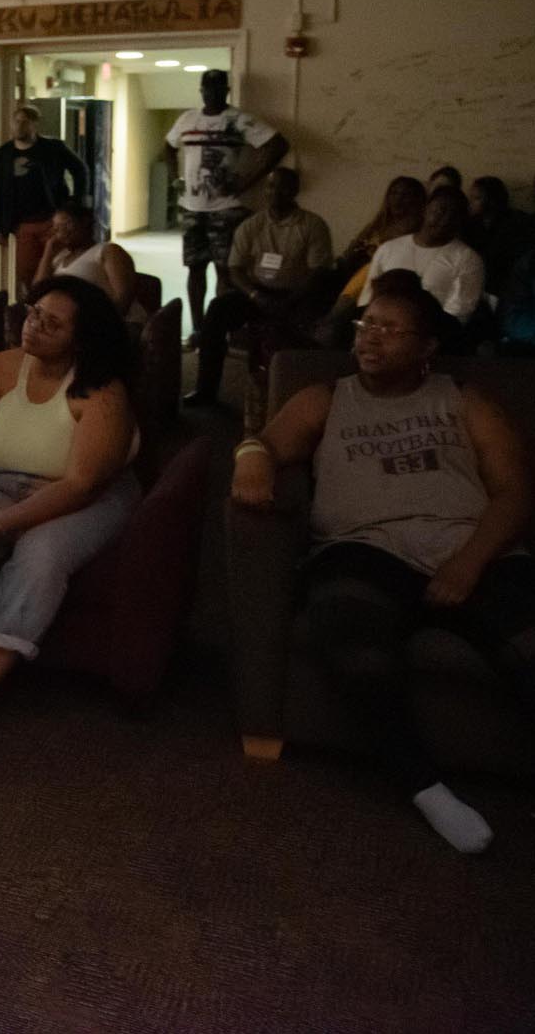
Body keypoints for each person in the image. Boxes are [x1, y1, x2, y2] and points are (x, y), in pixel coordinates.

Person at [231, 285, 532, 854]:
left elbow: (515, 493)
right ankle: (426, 787)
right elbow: (264, 442)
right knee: (347, 628)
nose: (370, 338)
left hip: (466, 545)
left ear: (427, 347)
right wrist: (251, 461)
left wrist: (468, 565)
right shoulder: (326, 398)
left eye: (390, 329)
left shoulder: (464, 399)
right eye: (366, 325)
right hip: (365, 547)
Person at [0, 277, 140, 743]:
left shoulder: (101, 390)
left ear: (80, 339)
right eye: (34, 313)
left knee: (42, 553)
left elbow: (81, 484)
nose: (34, 326)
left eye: (52, 324)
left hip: (83, 496)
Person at [185, 168, 333, 407]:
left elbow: (319, 272)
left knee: (312, 326)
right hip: (257, 293)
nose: (275, 193)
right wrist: (254, 294)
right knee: (217, 311)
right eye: (271, 187)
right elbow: (235, 268)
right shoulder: (251, 225)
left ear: (294, 191)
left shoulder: (313, 225)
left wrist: (291, 300)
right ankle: (205, 390)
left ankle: (299, 394)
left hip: (297, 295)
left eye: (283, 187)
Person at [165, 68, 290, 344]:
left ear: (226, 90)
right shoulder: (187, 119)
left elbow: (278, 145)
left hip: (226, 208)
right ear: (201, 91)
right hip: (192, 207)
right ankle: (199, 330)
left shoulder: (238, 120)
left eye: (218, 88)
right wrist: (176, 177)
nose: (212, 93)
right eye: (207, 88)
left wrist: (247, 181)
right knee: (195, 270)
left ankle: (219, 331)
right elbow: (167, 146)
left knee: (226, 271)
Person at [360, 185, 484, 325]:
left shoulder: (468, 259)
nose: (444, 221)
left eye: (453, 216)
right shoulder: (388, 248)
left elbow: (458, 315)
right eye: (439, 211)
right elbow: (368, 298)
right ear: (425, 210)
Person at [0, 105, 85, 291]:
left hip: (52, 220)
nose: (19, 125)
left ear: (35, 124)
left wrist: (76, 202)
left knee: (59, 268)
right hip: (22, 225)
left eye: (24, 121)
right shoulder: (3, 154)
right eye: (16, 121)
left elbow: (80, 170)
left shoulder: (53, 148)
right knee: (27, 273)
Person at [34, 201, 140, 322]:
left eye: (66, 224)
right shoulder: (59, 258)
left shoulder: (108, 251)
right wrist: (48, 253)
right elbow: (37, 291)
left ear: (84, 222)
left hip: (108, 322)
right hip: (68, 322)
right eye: (57, 228)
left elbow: (123, 299)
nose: (62, 232)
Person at [463, 175, 534, 301]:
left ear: (492, 200)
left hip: (505, 291)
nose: (470, 203)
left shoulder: (516, 224)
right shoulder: (471, 226)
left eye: (476, 198)